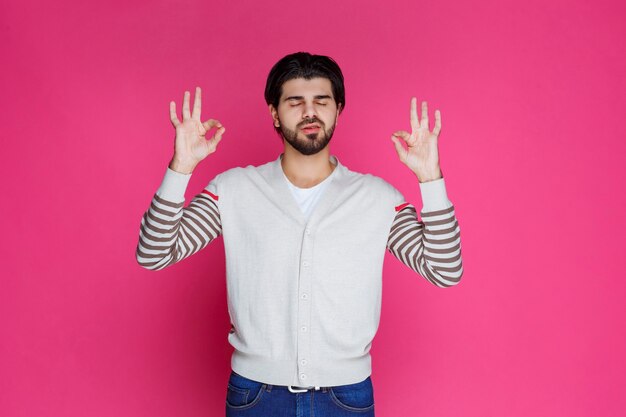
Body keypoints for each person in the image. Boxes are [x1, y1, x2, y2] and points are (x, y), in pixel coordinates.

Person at [135, 51, 463, 416]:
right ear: (275, 113)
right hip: (255, 396)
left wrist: (430, 178)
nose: (310, 112)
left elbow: (444, 270)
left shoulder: (377, 198)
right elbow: (154, 254)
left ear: (338, 109)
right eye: (295, 102)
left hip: (346, 398)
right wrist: (181, 167)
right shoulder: (234, 189)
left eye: (321, 101)